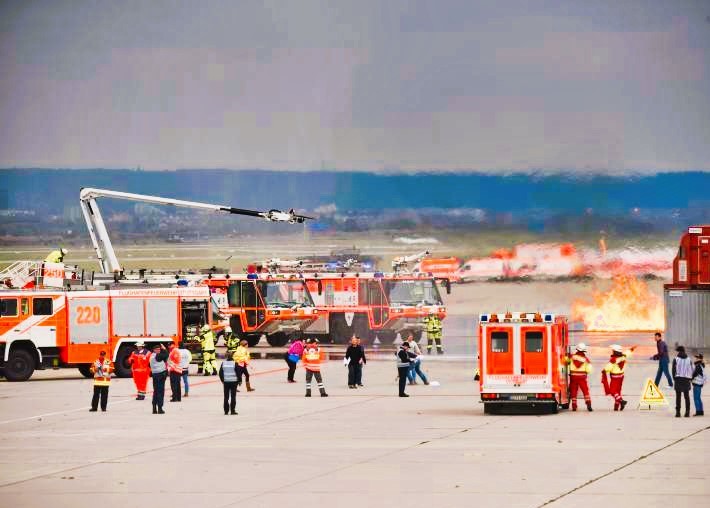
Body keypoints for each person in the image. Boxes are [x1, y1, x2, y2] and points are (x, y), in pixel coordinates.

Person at [601, 344, 635, 411]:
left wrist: (604, 370)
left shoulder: (614, 360)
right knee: (618, 391)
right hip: (621, 377)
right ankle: (616, 407)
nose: (612, 351)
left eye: (613, 350)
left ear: (615, 351)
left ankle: (621, 401)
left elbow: (608, 367)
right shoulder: (623, 357)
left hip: (615, 377)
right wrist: (631, 349)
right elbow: (627, 353)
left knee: (612, 391)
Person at [567, 343, 593, 412]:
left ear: (577, 349)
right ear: (584, 351)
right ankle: (588, 404)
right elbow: (589, 369)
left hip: (573, 377)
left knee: (574, 391)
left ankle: (574, 406)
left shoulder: (572, 357)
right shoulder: (585, 359)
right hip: (582, 377)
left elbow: (566, 361)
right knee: (585, 391)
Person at [672, 345, 693, 418]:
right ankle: (687, 412)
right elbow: (691, 369)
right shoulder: (689, 359)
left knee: (678, 397)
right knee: (686, 396)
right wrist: (690, 379)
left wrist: (674, 378)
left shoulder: (676, 359)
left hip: (678, 379)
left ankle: (678, 413)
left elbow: (673, 370)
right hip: (686, 379)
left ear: (678, 351)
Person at [149, 343, 169, 414]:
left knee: (156, 392)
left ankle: (154, 408)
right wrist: (164, 348)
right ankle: (160, 408)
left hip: (155, 375)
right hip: (160, 375)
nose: (158, 350)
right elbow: (166, 354)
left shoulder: (152, 356)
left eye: (159, 349)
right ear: (154, 350)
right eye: (157, 349)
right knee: (160, 392)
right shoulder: (157, 356)